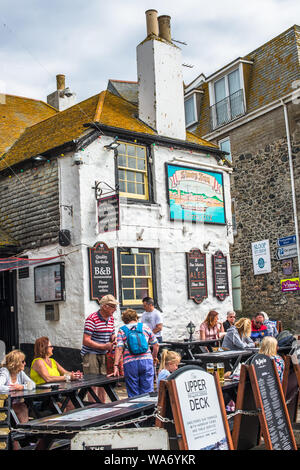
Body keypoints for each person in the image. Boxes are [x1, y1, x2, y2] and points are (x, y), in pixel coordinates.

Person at [111, 308, 159, 397]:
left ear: (124, 320)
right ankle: (148, 409)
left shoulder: (122, 330)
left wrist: (116, 365)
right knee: (148, 391)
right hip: (146, 361)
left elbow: (119, 348)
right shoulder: (145, 327)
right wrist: (153, 357)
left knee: (133, 392)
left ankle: (135, 409)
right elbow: (156, 345)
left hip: (130, 363)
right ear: (136, 318)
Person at [81, 294, 118, 402]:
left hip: (104, 353)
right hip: (91, 354)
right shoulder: (92, 319)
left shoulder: (110, 318)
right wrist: (103, 346)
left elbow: (112, 333)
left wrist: (114, 338)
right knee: (92, 382)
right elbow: (86, 340)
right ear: (105, 306)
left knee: (104, 381)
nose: (115, 309)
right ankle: (93, 407)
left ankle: (102, 405)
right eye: (113, 307)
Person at [0, 350, 36, 449]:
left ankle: (23, 436)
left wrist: (21, 387)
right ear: (16, 363)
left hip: (14, 405)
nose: (25, 363)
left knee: (23, 407)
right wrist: (13, 388)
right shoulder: (5, 372)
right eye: (23, 361)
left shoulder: (20, 373)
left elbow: (32, 384)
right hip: (4, 406)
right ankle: (24, 436)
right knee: (22, 407)